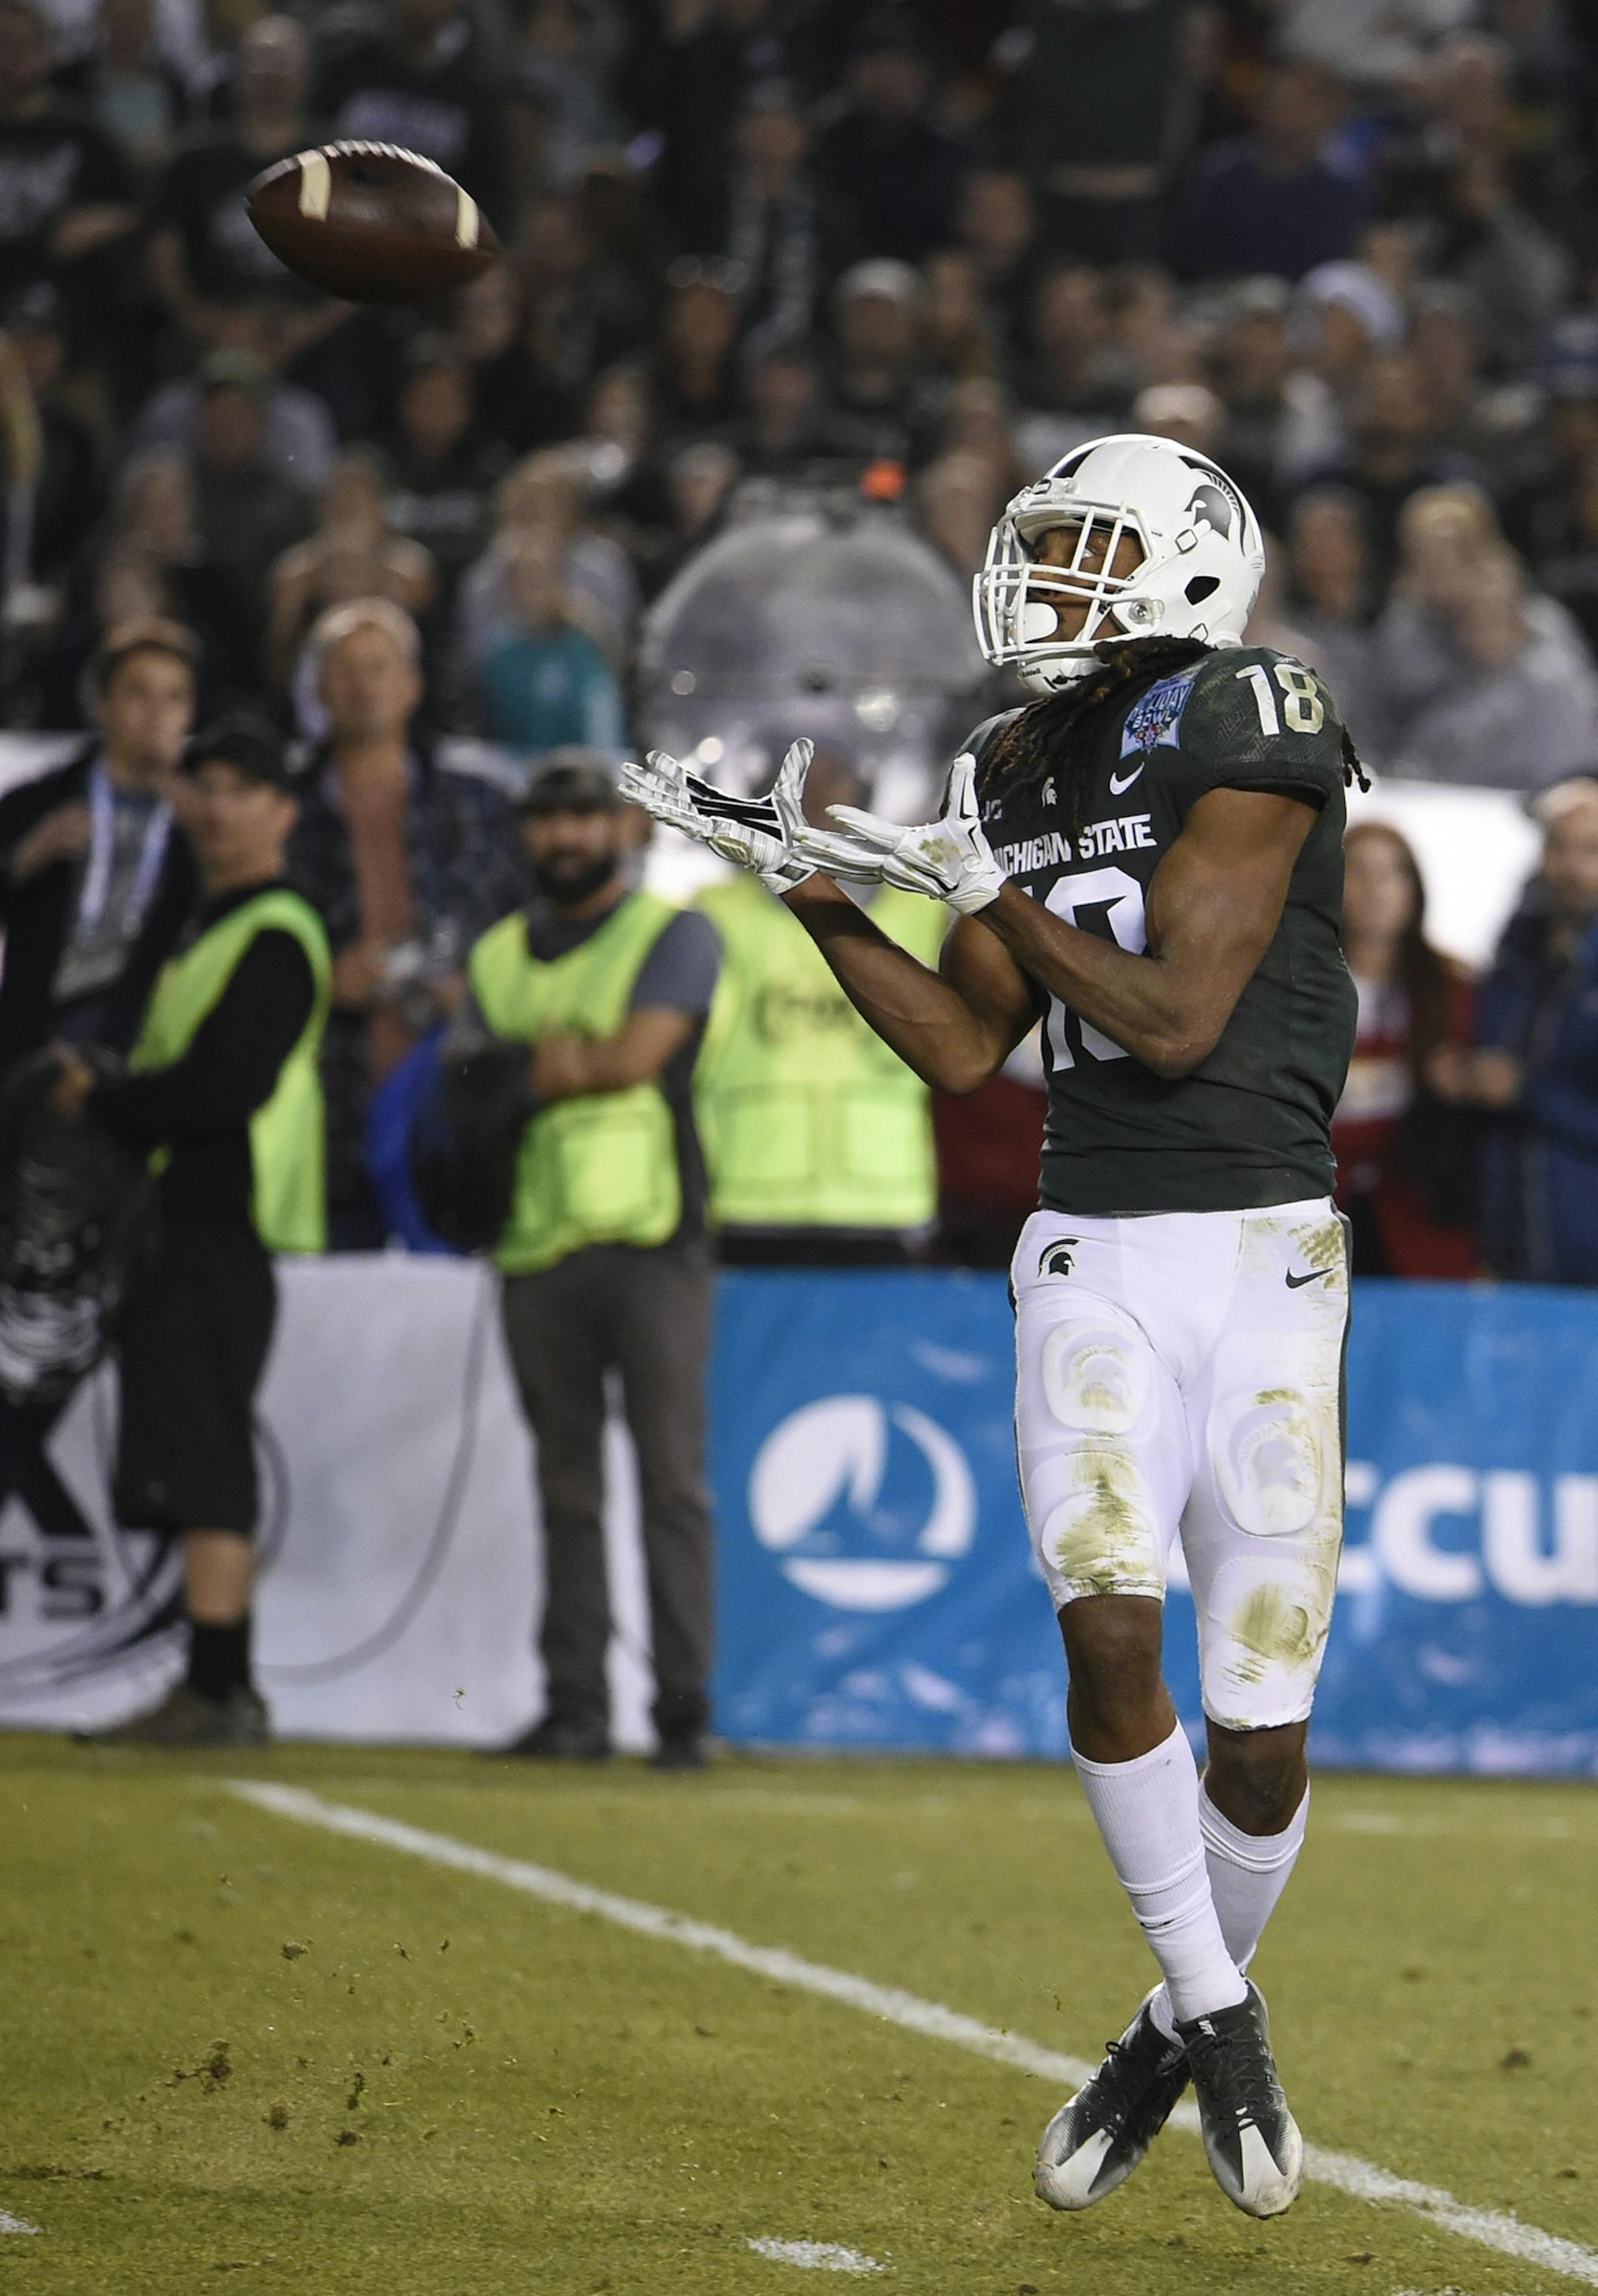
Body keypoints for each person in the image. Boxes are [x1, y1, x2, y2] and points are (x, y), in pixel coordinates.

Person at [628, 431, 1361, 2220]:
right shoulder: (1011, 755)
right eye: (1046, 549)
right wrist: (815, 897)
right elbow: (970, 1043)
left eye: (1089, 551)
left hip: (1261, 1245)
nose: (1046, 580)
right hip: (1091, 1239)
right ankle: (1217, 2014)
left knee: (1258, 1727)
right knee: (1108, 1637)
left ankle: (1157, 2038)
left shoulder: (1252, 710)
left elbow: (1181, 1016)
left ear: (1191, 566)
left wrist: (986, 897)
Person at [55, 716, 330, 1745]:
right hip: (192, 1215)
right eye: (203, 785)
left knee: (206, 1453)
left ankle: (221, 1689)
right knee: (190, 1448)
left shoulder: (271, 931)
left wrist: (111, 1101)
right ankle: (212, 1681)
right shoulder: (214, 925)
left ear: (283, 812)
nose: (217, 805)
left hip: (218, 1214)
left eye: (241, 787)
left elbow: (223, 1084)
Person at [462, 753, 721, 1769]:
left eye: (584, 815)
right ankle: (576, 1706)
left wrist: (532, 1066)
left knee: (669, 1483)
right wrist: (561, 1062)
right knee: (568, 1489)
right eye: (548, 816)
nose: (565, 834)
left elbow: (627, 1058)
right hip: (536, 1240)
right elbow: (471, 1081)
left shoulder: (675, 929)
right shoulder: (495, 954)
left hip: (656, 1240)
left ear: (622, 827)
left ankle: (680, 1711)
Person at [287, 599, 523, 1248]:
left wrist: (480, 993)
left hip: (459, 1105)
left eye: (379, 667)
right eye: (345, 669)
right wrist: (317, 981)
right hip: (327, 1111)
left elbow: (537, 936)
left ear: (413, 685)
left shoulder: (481, 808)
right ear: (317, 689)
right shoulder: (279, 813)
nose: (363, 685)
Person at [694, 751, 945, 1263]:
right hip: (751, 1199)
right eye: (796, 789)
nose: (814, 803)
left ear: (863, 801)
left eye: (831, 786)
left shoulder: (924, 912)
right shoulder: (717, 914)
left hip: (885, 1201)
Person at [0, 617, 198, 1070]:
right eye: (137, 692)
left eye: (174, 697)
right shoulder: (40, 801)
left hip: (145, 1051)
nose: (156, 712)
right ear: (101, 703)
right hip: (35, 1043)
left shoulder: (204, 820)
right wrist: (24, 859)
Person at [1332, 821, 1476, 1276]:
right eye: (1358, 871)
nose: (1376, 888)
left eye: (1393, 872)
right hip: (1313, 1222)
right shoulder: (1290, 987)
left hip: (1421, 1230)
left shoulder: (1453, 989)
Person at [1471, 781, 1598, 1284]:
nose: (1571, 866)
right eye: (1557, 845)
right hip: (1509, 1244)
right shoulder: (1515, 956)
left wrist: (1525, 1091)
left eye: (1591, 849)